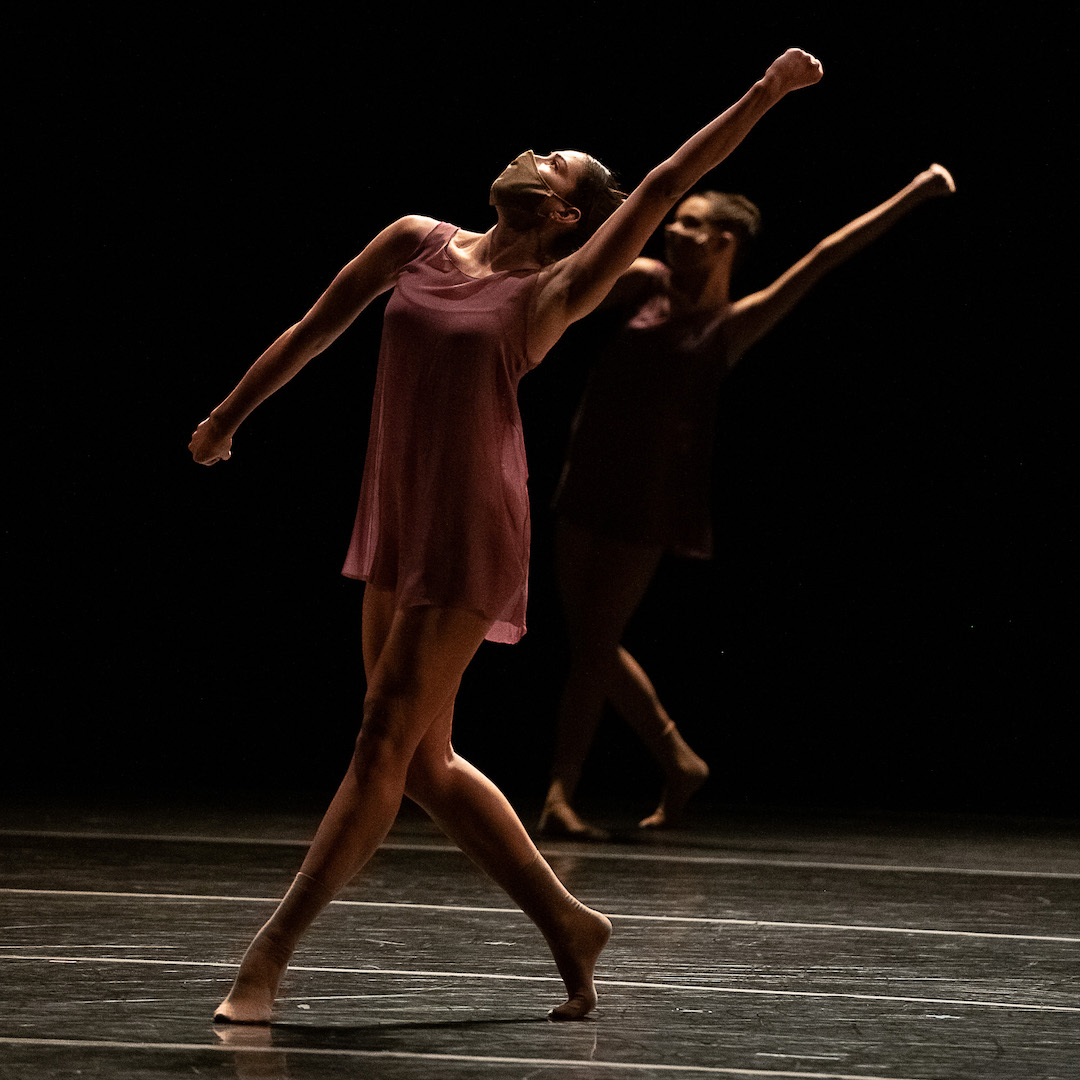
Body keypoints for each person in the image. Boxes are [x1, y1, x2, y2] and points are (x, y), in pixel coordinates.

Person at [188, 47, 824, 1023]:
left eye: (559, 165)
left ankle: (265, 964)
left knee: (380, 745)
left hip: (473, 527)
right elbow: (317, 326)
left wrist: (764, 94)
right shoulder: (415, 239)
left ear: (571, 214)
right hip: (398, 516)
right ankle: (570, 924)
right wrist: (231, 415)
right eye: (539, 151)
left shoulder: (554, 292)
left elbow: (659, 183)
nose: (536, 159)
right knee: (426, 764)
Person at [539, 165, 957, 840]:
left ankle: (571, 789)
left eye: (693, 224)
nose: (675, 230)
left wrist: (916, 191)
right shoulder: (645, 282)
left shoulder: (732, 326)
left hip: (647, 499)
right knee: (591, 640)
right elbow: (568, 283)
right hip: (586, 475)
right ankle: (671, 762)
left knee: (595, 642)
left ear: (726, 241)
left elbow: (825, 256)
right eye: (676, 221)